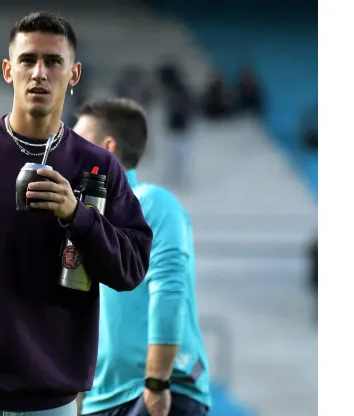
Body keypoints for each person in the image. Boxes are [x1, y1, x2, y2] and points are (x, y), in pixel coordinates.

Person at [0, 11, 153, 416]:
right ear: (8, 70)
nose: (39, 73)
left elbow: (132, 267)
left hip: (49, 399)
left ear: (74, 75)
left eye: (53, 62)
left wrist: (77, 215)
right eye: (28, 60)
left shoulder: (99, 166)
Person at [72, 98, 211, 416]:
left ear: (106, 149)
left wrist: (156, 383)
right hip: (99, 401)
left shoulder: (152, 203)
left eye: (79, 142)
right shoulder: (82, 221)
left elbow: (169, 290)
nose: (70, 152)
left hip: (154, 394)